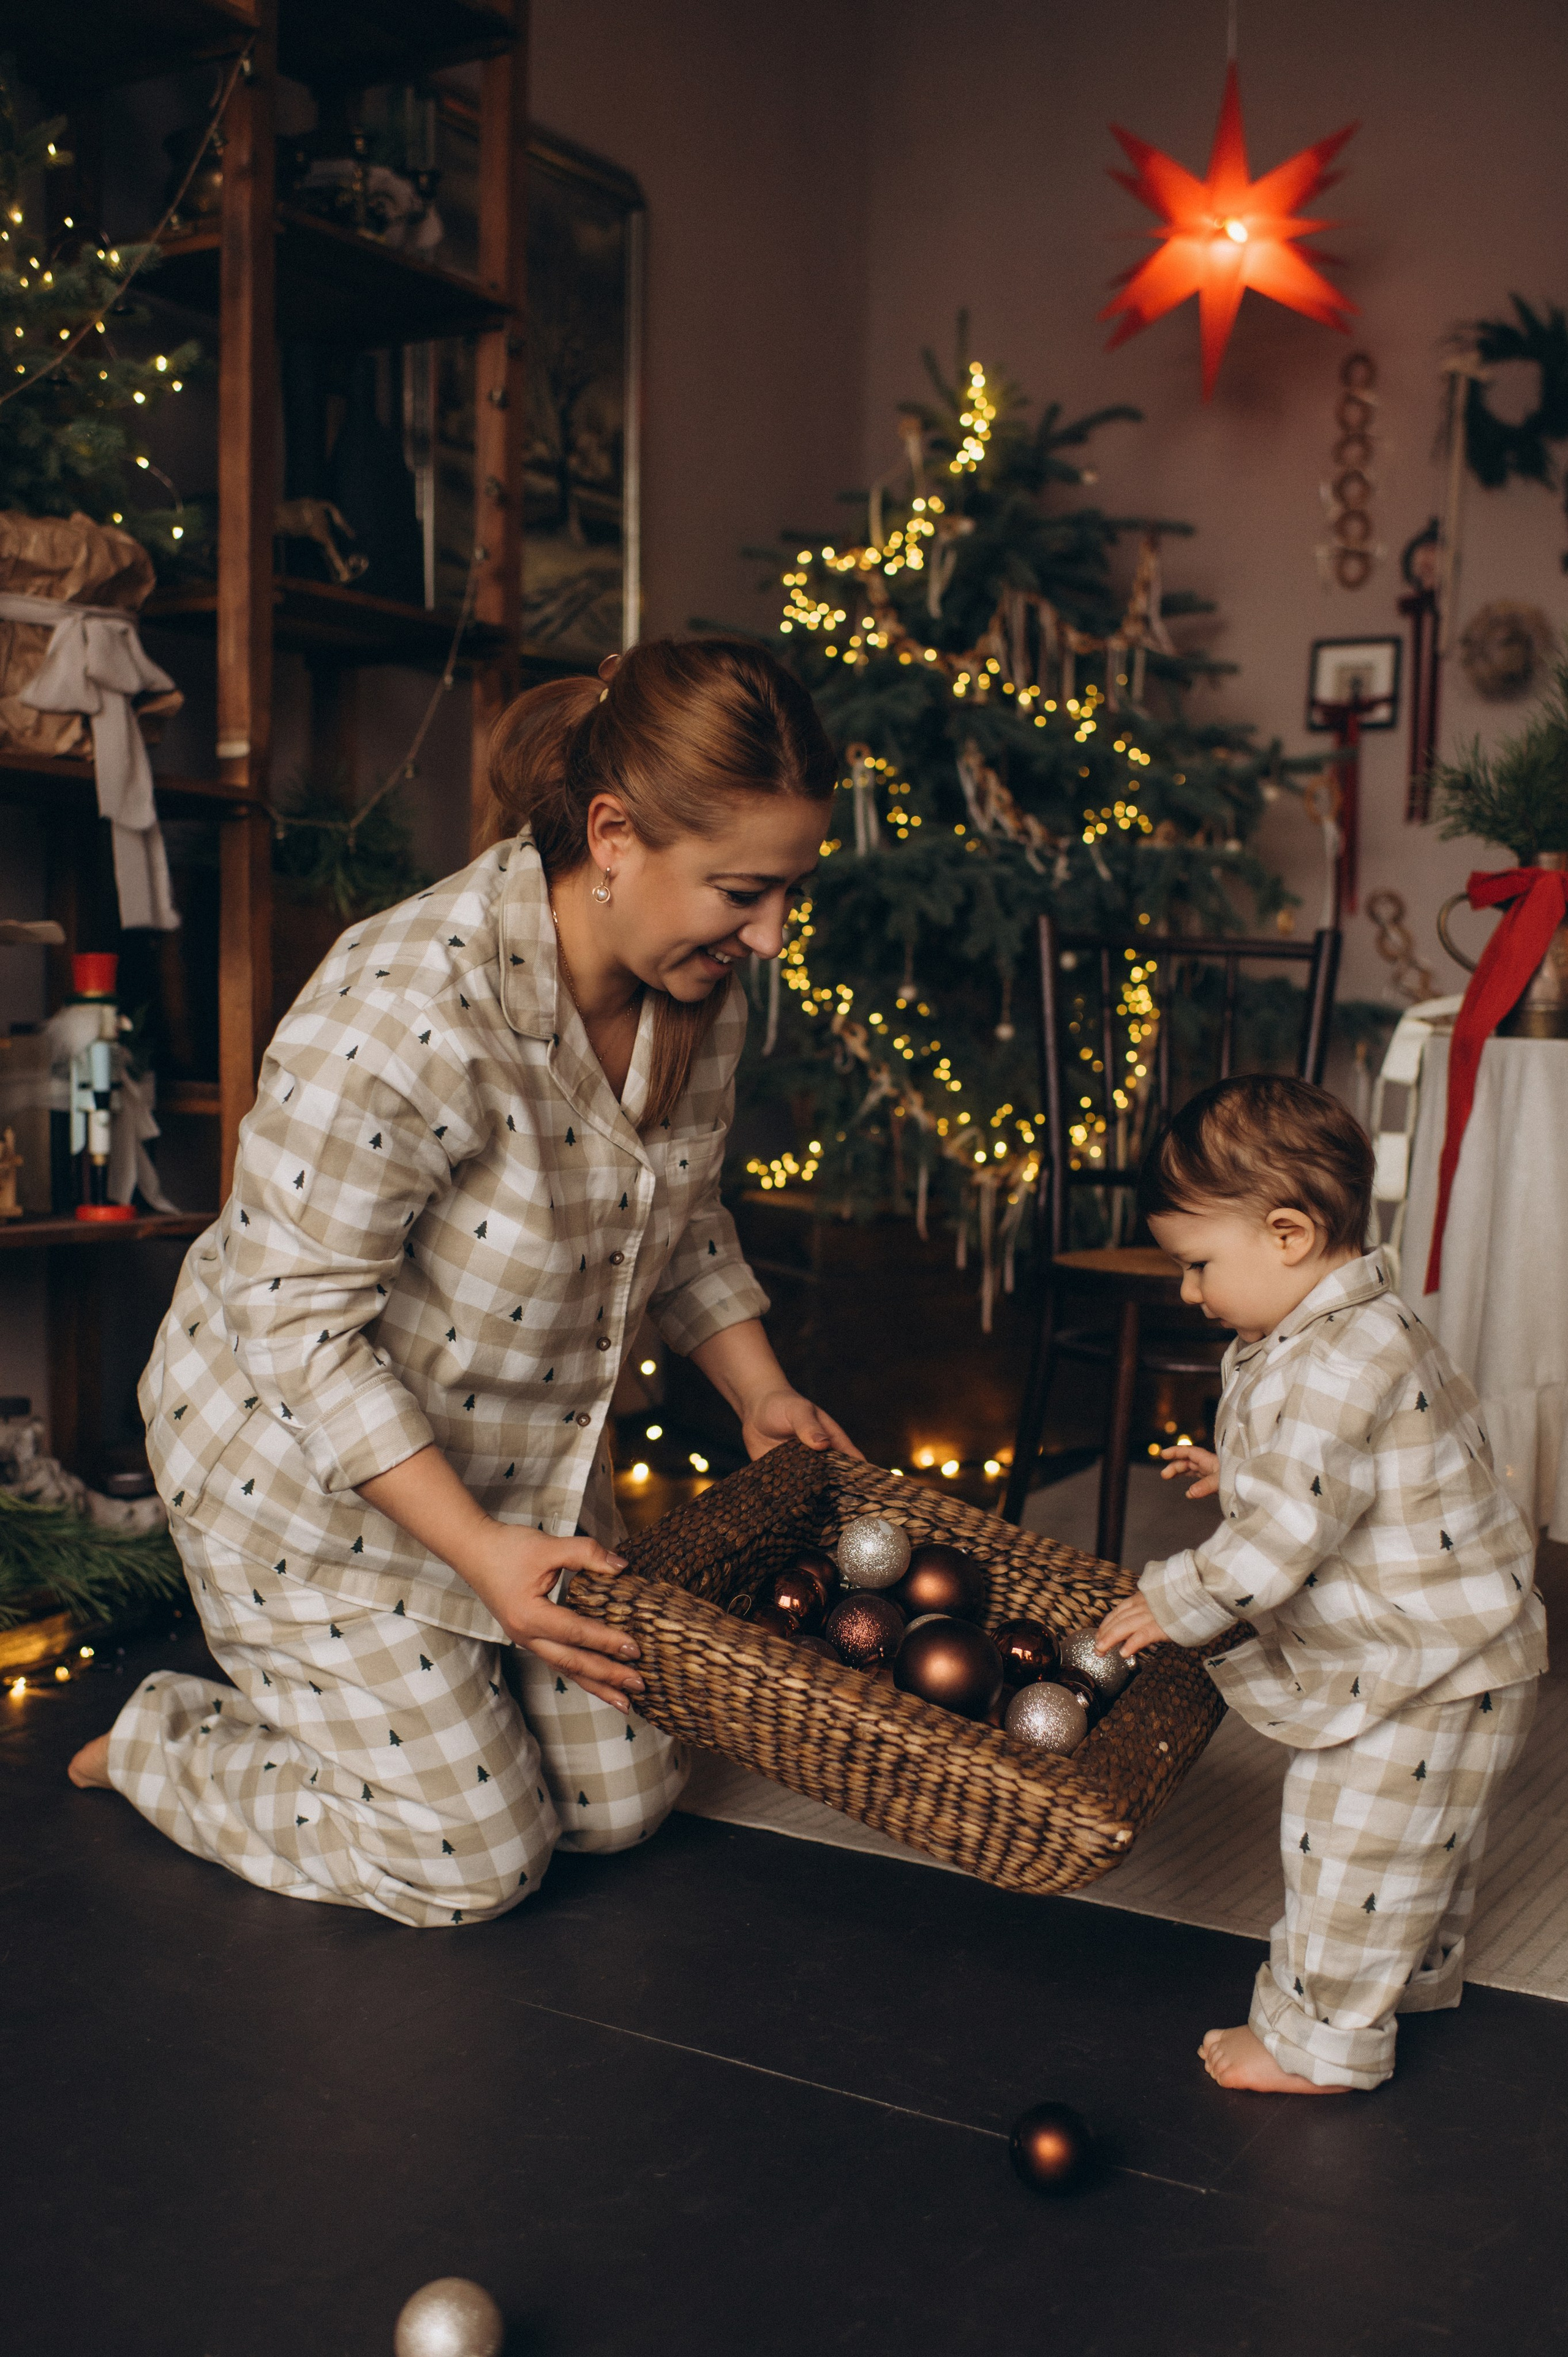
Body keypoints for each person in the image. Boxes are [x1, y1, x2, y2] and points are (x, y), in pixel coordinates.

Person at [68, 637, 859, 1926]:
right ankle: (173, 1744)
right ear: (612, 835)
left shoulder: (689, 991)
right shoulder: (406, 1002)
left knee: (620, 1803)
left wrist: (759, 1389)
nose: (769, 936)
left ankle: (423, 1700)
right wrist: (482, 1557)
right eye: (741, 891)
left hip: (517, 1466)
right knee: (469, 1865)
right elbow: (297, 1326)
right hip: (302, 1474)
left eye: (788, 892)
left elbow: (681, 1210)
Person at [1096, 1074, 1545, 2094]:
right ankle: (1408, 1981)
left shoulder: (1342, 1358)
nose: (1188, 1291)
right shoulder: (1347, 1325)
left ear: (1289, 1235)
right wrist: (1242, 1475)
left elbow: (1295, 1531)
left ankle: (1322, 2046)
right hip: (1460, 1647)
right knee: (1419, 1840)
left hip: (1429, 1664)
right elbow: (1347, 1472)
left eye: (1199, 1264)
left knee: (1345, 1849)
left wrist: (1176, 1600)